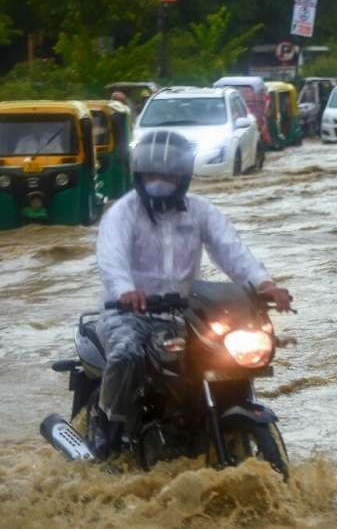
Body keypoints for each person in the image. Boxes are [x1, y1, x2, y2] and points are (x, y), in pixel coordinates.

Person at [93, 130, 291, 457]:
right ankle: (107, 426)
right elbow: (111, 257)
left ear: (183, 175)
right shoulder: (123, 212)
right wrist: (126, 291)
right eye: (152, 174)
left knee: (216, 356)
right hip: (128, 313)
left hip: (180, 312)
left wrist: (264, 284)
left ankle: (200, 424)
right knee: (127, 353)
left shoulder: (200, 211)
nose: (160, 180)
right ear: (139, 174)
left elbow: (232, 252)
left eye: (168, 174)